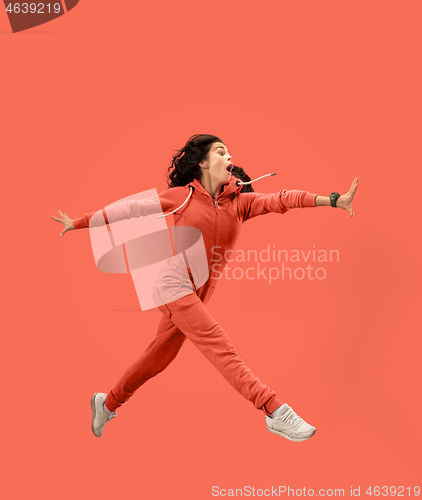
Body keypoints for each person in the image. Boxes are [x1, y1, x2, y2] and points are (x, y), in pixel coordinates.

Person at [51, 133, 359, 442]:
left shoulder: (241, 204)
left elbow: (282, 199)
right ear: (203, 162)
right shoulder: (180, 196)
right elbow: (130, 210)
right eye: (222, 152)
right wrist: (79, 222)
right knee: (219, 345)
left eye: (230, 154)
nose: (229, 158)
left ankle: (107, 403)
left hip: (200, 293)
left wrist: (331, 200)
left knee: (156, 360)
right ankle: (275, 410)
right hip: (172, 284)